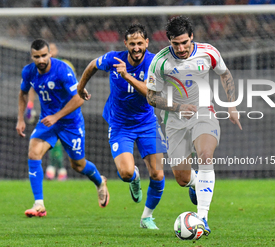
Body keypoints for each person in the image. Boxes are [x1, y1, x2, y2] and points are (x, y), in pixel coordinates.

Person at [146, 16, 242, 235]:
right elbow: (151, 97)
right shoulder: (160, 62)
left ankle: (203, 218)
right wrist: (178, 107)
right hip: (174, 121)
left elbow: (224, 74)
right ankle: (195, 183)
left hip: (203, 113)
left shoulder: (208, 52)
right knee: (182, 179)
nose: (180, 48)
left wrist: (232, 105)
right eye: (175, 44)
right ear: (169, 41)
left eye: (184, 42)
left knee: (205, 155)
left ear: (192, 37)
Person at [77, 24, 167, 229]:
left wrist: (127, 75)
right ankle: (135, 178)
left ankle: (147, 217)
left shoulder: (154, 63)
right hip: (120, 125)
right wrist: (81, 87)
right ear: (125, 44)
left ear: (147, 43)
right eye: (132, 44)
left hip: (146, 123)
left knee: (157, 174)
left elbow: (153, 95)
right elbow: (92, 65)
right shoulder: (113, 59)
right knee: (126, 174)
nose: (136, 48)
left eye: (140, 43)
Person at [16, 39, 109, 217]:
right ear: (32, 57)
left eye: (44, 55)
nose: (41, 60)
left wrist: (57, 116)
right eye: (37, 57)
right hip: (47, 121)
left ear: (50, 53)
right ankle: (39, 204)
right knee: (33, 152)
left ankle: (99, 181)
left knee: (78, 165)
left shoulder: (63, 70)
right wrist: (21, 119)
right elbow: (23, 92)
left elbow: (80, 98)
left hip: (70, 123)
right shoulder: (28, 71)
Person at [25, 42, 76, 181]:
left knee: (63, 144)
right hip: (49, 111)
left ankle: (56, 167)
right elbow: (32, 88)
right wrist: (30, 105)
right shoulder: (38, 70)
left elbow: (73, 88)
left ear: (52, 52)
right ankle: (57, 169)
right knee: (51, 141)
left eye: (51, 50)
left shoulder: (64, 66)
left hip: (65, 111)